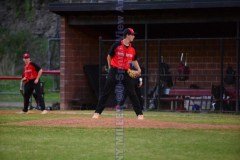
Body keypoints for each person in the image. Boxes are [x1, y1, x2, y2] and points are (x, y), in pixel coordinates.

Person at [92, 28, 144, 120]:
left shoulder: (132, 49)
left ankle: (139, 114)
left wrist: (139, 69)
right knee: (106, 92)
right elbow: (109, 56)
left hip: (126, 72)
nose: (133, 36)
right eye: (132, 35)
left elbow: (134, 60)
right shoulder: (117, 45)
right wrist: (110, 67)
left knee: (132, 92)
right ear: (127, 35)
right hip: (115, 70)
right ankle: (97, 112)